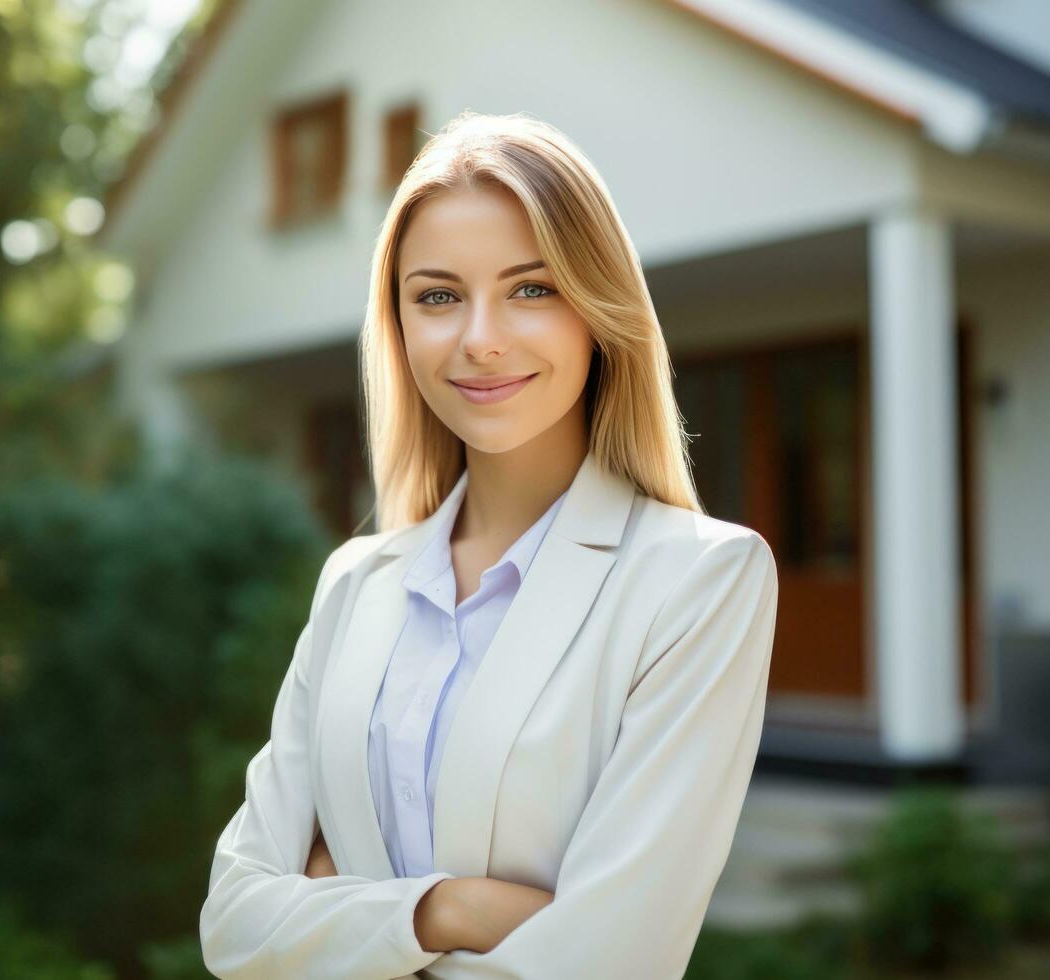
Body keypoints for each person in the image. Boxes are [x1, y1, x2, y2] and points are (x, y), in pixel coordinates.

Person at [200, 110, 779, 979]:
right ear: (397, 326)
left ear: (599, 310)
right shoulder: (355, 583)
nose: (479, 338)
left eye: (532, 288)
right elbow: (235, 923)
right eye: (437, 296)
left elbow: (604, 962)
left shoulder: (699, 580)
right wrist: (451, 909)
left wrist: (331, 913)